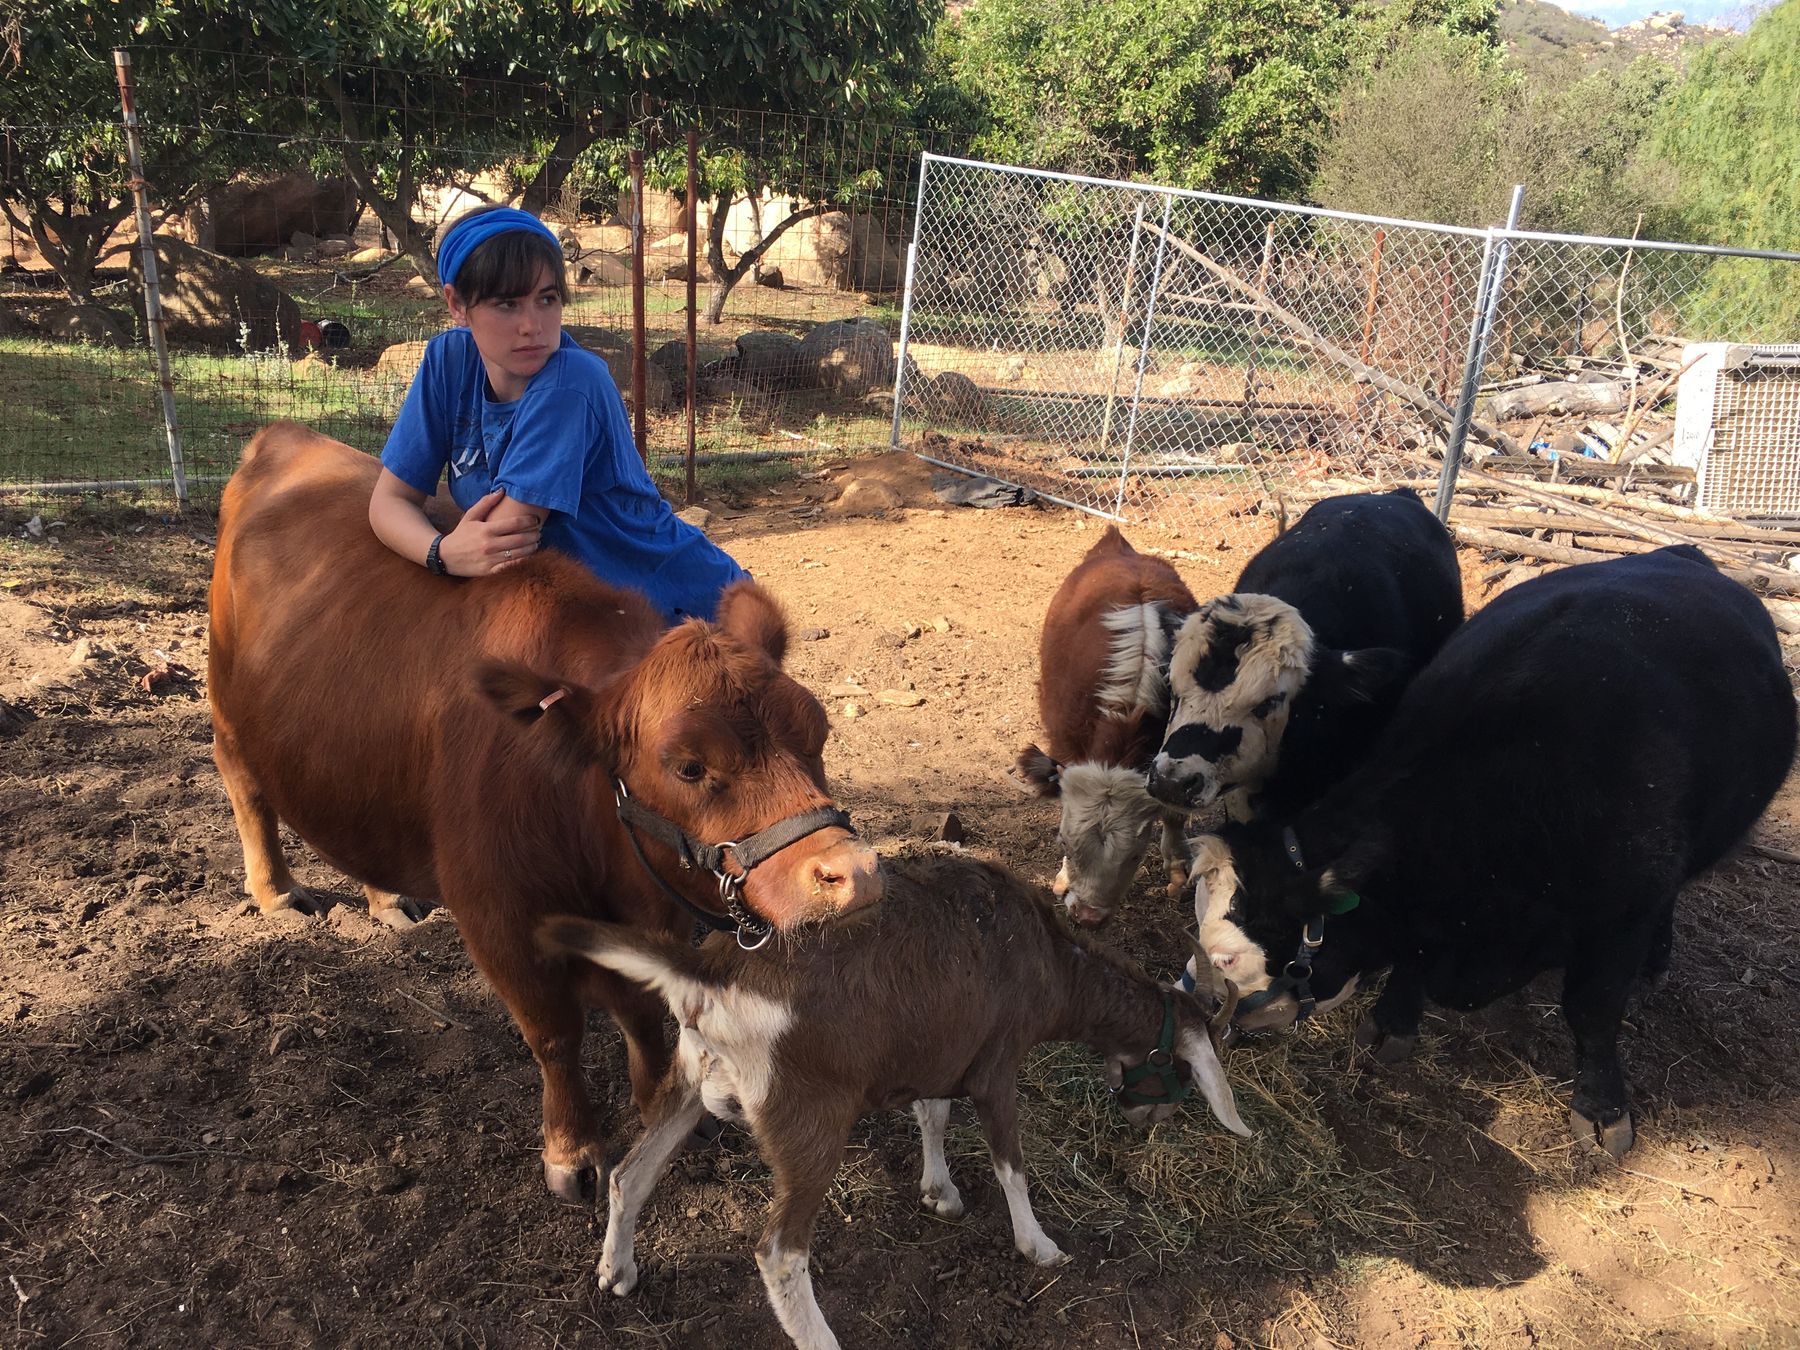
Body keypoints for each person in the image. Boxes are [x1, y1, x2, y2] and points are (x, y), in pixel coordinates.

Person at [369, 204, 746, 623]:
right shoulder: (448, 361)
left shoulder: (571, 382)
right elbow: (388, 501)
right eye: (507, 304)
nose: (532, 325)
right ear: (457, 304)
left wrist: (450, 548)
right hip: (586, 621)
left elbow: (503, 545)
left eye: (546, 299)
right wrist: (440, 552)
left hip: (683, 612)